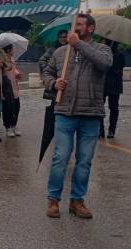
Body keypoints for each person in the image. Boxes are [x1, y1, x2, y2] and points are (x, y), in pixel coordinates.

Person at [42, 14, 112, 219]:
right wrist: (53, 84)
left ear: (90, 28)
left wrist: (79, 45)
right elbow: (47, 73)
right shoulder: (61, 51)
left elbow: (104, 64)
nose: (75, 27)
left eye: (80, 24)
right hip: (64, 111)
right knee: (60, 158)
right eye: (75, 24)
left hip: (91, 113)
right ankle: (53, 200)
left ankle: (77, 200)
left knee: (84, 160)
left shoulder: (102, 49)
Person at [100, 40, 124, 139]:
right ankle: (100, 129)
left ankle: (112, 129)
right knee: (100, 107)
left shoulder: (120, 55)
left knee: (113, 107)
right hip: (103, 83)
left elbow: (119, 68)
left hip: (114, 83)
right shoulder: (102, 53)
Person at [39, 30, 68, 103]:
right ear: (58, 38)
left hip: (67, 76)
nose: (63, 39)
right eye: (61, 37)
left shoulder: (72, 47)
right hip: (56, 77)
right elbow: (42, 60)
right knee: (55, 100)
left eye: (65, 37)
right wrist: (48, 69)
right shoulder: (53, 49)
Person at [1, 44, 23, 138]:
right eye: (12, 49)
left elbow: (14, 70)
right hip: (6, 88)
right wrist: (6, 68)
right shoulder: (2, 59)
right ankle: (8, 127)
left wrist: (17, 73)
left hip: (14, 86)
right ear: (9, 50)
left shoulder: (12, 59)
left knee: (16, 107)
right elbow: (0, 71)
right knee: (7, 108)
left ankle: (14, 125)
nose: (13, 50)